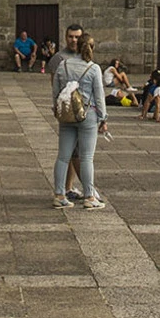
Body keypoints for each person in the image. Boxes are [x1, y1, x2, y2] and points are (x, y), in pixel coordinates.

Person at [51, 30, 107, 210]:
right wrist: (103, 118)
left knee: (63, 157)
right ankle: (89, 197)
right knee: (86, 157)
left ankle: (59, 194)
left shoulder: (63, 65)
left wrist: (57, 110)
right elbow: (99, 97)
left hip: (67, 115)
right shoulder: (93, 68)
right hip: (88, 115)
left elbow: (56, 91)